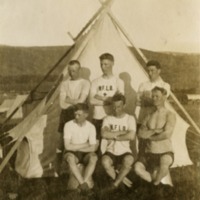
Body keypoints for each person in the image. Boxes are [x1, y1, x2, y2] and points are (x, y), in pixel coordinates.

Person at [134, 86, 176, 185]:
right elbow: (140, 133)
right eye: (153, 96)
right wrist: (155, 130)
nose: (154, 99)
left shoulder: (169, 115)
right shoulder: (149, 115)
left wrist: (149, 136)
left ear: (164, 97)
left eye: (157, 96)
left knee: (164, 163)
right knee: (137, 168)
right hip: (149, 152)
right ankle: (155, 182)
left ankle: (155, 184)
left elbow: (166, 134)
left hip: (165, 151)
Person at [135, 60, 171, 155]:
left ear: (159, 71)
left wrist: (146, 98)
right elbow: (138, 102)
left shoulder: (165, 86)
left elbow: (159, 102)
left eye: (152, 70)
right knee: (142, 145)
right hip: (142, 118)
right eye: (148, 71)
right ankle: (140, 165)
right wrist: (152, 99)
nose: (150, 73)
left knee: (155, 144)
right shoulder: (143, 85)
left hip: (157, 121)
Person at [101, 93, 136, 190]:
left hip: (125, 151)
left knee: (129, 160)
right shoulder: (108, 118)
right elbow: (104, 134)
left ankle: (115, 185)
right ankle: (122, 181)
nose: (116, 110)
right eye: (114, 107)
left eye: (119, 107)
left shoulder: (130, 118)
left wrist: (113, 135)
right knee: (105, 161)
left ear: (124, 105)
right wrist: (123, 132)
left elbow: (131, 136)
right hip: (111, 150)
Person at [63, 103, 98, 194]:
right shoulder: (68, 125)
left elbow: (93, 148)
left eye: (79, 114)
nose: (76, 117)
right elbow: (67, 146)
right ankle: (83, 185)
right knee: (70, 158)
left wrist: (75, 147)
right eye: (75, 114)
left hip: (83, 153)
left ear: (86, 115)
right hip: (72, 153)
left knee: (94, 157)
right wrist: (86, 144)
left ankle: (83, 184)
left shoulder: (91, 127)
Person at [90, 53, 124, 139]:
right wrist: (110, 100)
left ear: (112, 64)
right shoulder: (95, 82)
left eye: (106, 64)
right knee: (97, 144)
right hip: (97, 117)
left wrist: (100, 97)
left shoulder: (118, 81)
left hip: (112, 117)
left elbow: (120, 101)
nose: (103, 67)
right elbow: (91, 101)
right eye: (101, 64)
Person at [58, 60, 90, 146]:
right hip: (66, 114)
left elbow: (81, 101)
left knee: (79, 138)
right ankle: (61, 158)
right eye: (69, 71)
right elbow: (62, 104)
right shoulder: (64, 84)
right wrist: (75, 100)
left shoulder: (85, 83)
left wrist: (68, 99)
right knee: (63, 139)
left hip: (79, 114)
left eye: (74, 71)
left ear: (79, 70)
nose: (71, 73)